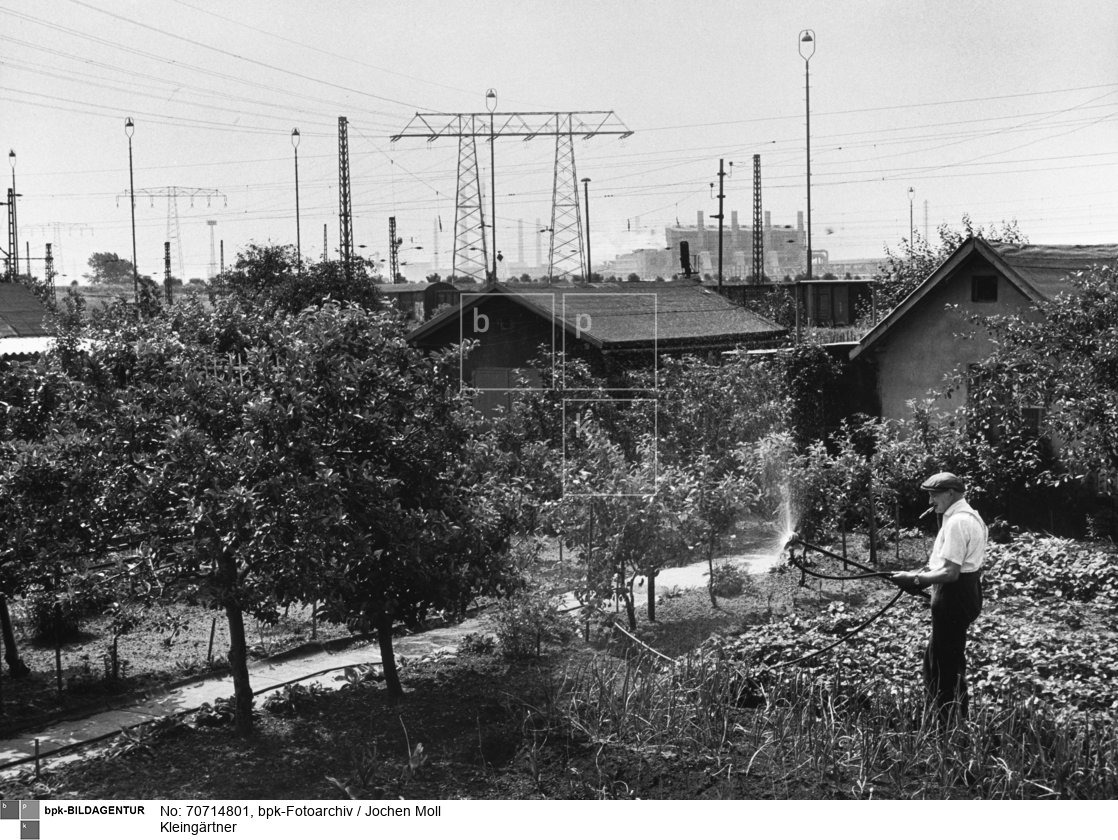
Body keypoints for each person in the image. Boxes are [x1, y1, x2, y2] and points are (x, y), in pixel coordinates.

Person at [891, 472, 986, 726]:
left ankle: (948, 725)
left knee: (945, 666)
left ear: (951, 493)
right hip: (966, 593)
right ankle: (944, 719)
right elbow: (949, 565)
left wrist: (915, 580)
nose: (931, 501)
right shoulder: (969, 516)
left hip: (954, 597)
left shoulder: (957, 522)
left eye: (934, 495)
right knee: (938, 659)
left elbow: (950, 572)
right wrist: (920, 576)